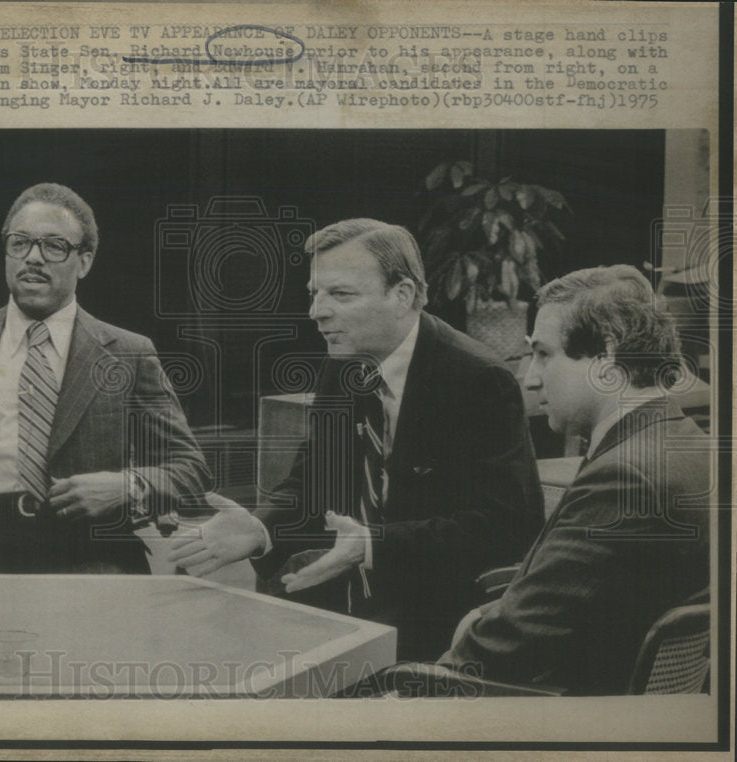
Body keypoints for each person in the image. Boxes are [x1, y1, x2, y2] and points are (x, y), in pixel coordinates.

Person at [168, 218, 543, 660]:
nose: (317, 312)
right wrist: (259, 527)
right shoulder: (342, 365)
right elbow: (312, 484)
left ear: (402, 295)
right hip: (338, 604)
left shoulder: (478, 379)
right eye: (315, 294)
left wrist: (371, 544)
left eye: (341, 294)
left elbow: (504, 528)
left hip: (436, 622)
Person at [0, 182, 211, 573]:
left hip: (85, 556)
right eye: (20, 243)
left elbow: (191, 469)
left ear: (85, 261)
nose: (33, 258)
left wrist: (124, 487)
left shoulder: (129, 354)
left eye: (54, 246)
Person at [437, 265, 710, 695]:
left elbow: (502, 649)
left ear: (607, 356)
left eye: (544, 354)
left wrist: (425, 678)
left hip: (567, 708)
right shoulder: (691, 444)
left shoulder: (625, 477)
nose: (529, 377)